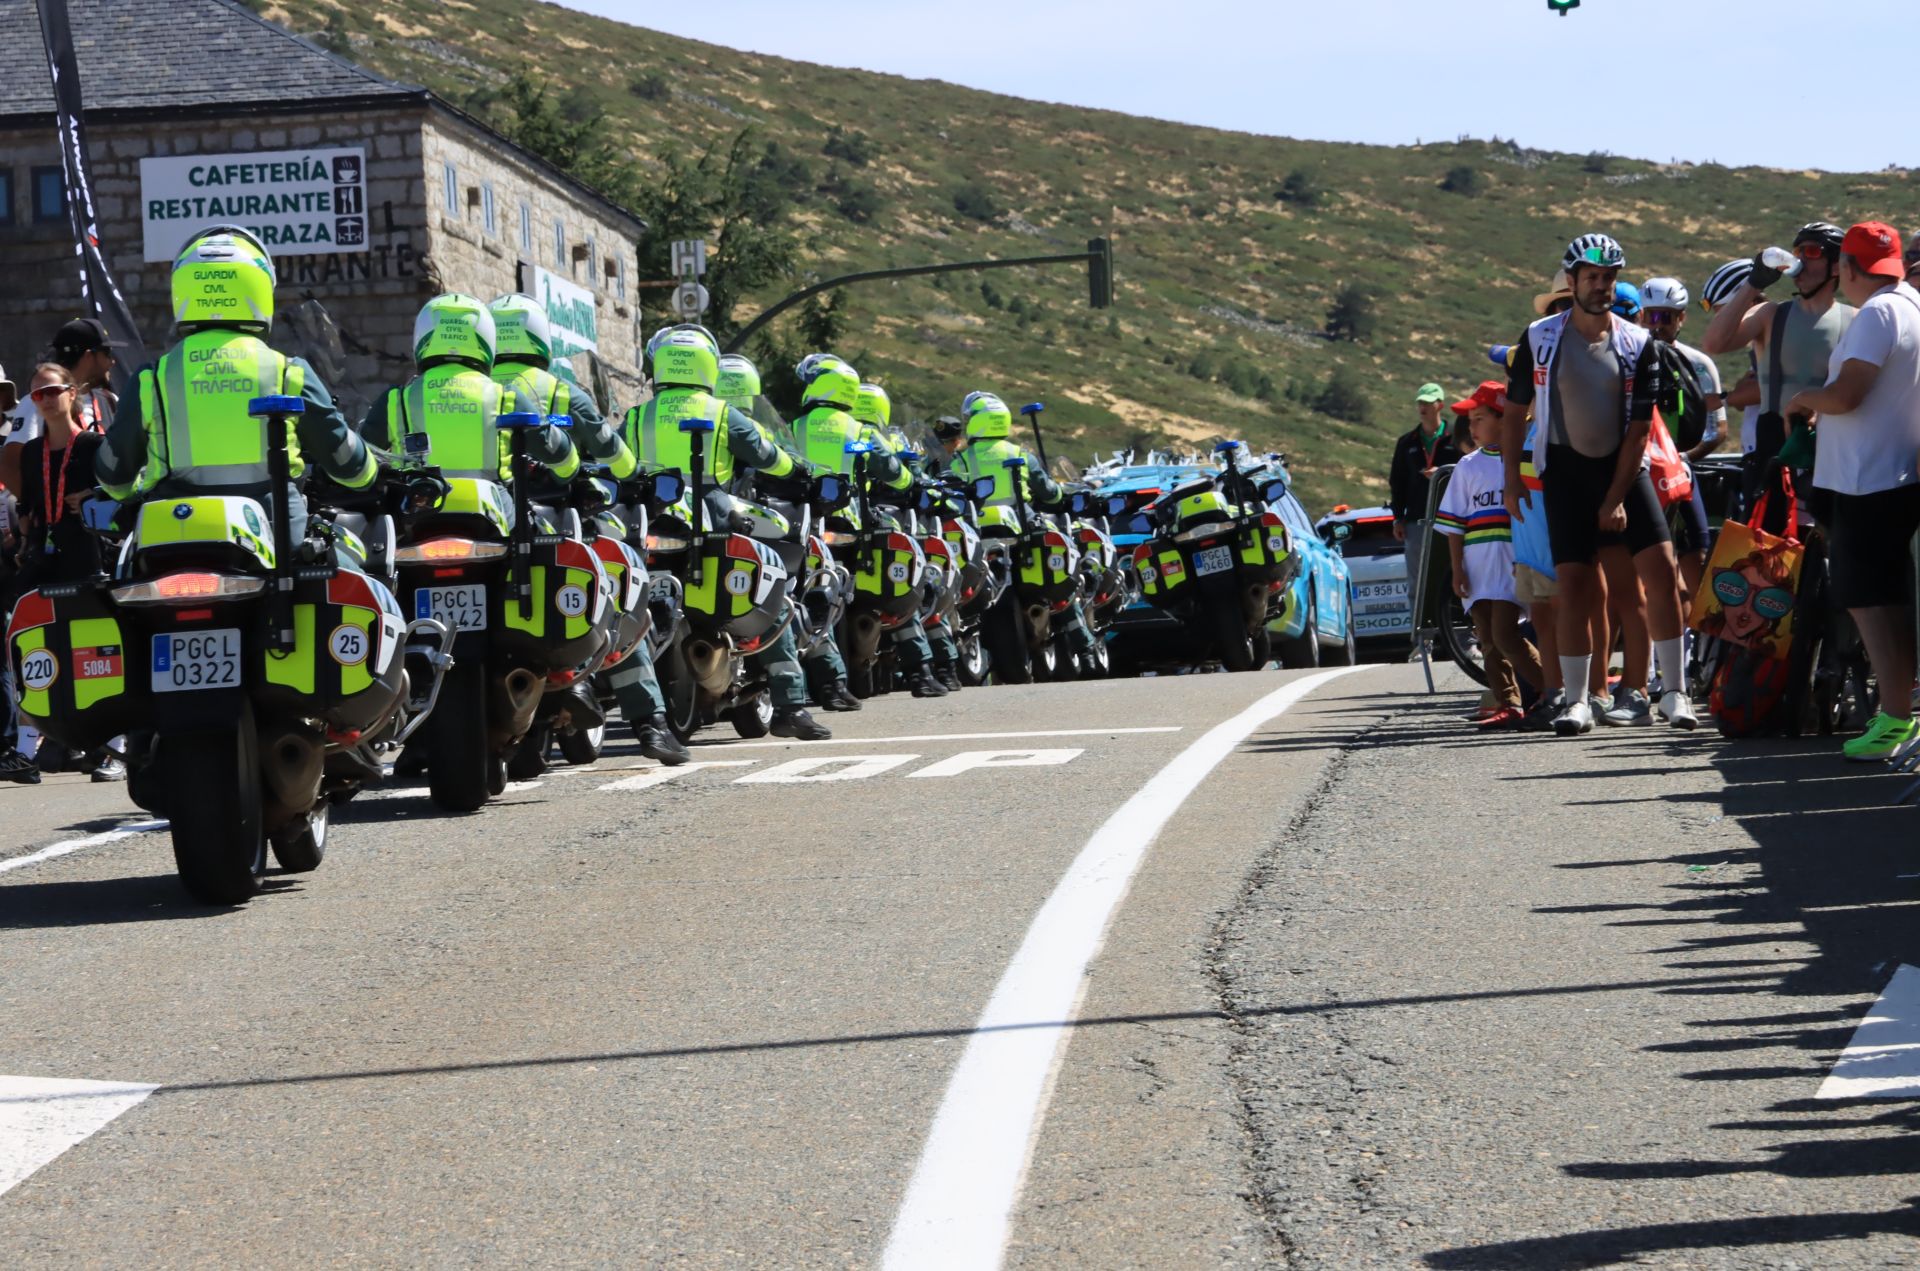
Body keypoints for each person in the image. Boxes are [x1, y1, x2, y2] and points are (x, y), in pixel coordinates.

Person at [1502, 232, 1697, 735]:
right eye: (1592, 277)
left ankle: (1674, 692)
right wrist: (1510, 479)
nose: (1601, 286)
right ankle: (1577, 699)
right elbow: (1514, 410)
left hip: (1624, 469)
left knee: (1662, 568)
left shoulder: (1638, 344)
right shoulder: (1541, 336)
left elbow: (1638, 430)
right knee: (1576, 585)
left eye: (1609, 277)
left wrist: (1615, 497)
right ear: (1572, 281)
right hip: (1564, 470)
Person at [98, 224, 379, 545]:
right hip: (275, 537)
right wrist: (369, 470)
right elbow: (349, 464)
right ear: (260, 289)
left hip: (175, 534)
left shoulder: (154, 377)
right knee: (348, 565)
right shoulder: (287, 372)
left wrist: (129, 487)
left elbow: (114, 475)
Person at [624, 325, 831, 741]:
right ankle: (790, 704)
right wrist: (798, 472)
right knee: (770, 592)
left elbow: (614, 460)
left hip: (649, 520)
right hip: (712, 518)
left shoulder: (637, 415)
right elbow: (766, 455)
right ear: (707, 366)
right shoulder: (721, 413)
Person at [1783, 222, 1920, 761]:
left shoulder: (1878, 314)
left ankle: (1893, 718)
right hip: (1893, 473)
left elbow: (1850, 393)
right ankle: (1898, 711)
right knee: (1885, 598)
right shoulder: (1909, 304)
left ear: (1848, 269)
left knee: (1870, 601)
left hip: (1868, 479)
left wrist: (1803, 398)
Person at [1702, 222, 1856, 514]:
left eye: (1811, 252)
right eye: (1798, 251)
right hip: (1771, 449)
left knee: (1827, 548)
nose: (1800, 259)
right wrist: (1753, 284)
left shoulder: (1855, 320)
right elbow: (1714, 343)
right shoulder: (1770, 314)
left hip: (1830, 447)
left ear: (1835, 267)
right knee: (1766, 554)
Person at [13, 364, 119, 780]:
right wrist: (24, 539)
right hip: (47, 551)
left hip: (87, 548)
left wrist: (93, 494)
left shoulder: (93, 444)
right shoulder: (32, 453)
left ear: (72, 394)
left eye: (53, 391)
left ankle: (115, 746)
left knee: (102, 641)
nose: (46, 399)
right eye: (37, 394)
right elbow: (29, 504)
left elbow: (120, 489)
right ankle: (26, 748)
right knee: (31, 640)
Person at [948, 389, 1101, 675]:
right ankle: (1086, 650)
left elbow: (951, 494)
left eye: (969, 418)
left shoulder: (963, 460)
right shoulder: (1020, 454)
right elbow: (1050, 493)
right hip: (1024, 529)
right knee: (1060, 583)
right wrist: (1059, 496)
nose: (966, 423)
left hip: (980, 534)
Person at [1438, 382, 1543, 727]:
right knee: (1488, 639)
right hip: (1477, 565)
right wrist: (1457, 570)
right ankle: (1509, 702)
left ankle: (1553, 690)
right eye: (1470, 421)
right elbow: (1455, 525)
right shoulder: (1467, 467)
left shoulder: (1524, 460)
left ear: (1503, 419)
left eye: (1479, 418)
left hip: (1512, 562)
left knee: (1505, 634)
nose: (1472, 428)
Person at [1638, 276, 1727, 662]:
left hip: (1681, 475)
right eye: (1653, 315)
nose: (1659, 323)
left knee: (1696, 566)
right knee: (1653, 574)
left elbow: (1718, 427)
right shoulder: (1628, 357)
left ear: (1682, 318)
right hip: (1641, 476)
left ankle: (1698, 656)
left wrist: (1683, 460)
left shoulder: (1699, 363)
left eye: (1668, 316)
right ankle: (1662, 661)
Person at [852, 380, 947, 698]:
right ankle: (921, 672)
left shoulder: (799, 426)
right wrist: (914, 481)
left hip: (818, 517)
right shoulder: (868, 435)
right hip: (861, 517)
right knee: (904, 589)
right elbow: (895, 472)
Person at [1388, 385, 1461, 595]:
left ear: (1440, 405)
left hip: (1450, 519)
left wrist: (1444, 473)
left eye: (1428, 403)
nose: (1423, 407)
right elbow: (1397, 482)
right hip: (1416, 520)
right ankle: (1418, 627)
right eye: (1420, 403)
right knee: (1417, 583)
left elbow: (1468, 472)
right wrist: (1398, 518)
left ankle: (1450, 625)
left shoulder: (1455, 438)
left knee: (1450, 576)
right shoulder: (1406, 442)